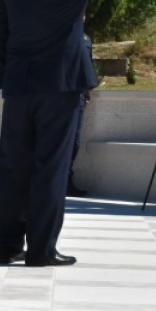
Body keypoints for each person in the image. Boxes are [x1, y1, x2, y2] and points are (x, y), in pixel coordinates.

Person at [0, 0, 128, 267]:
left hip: (19, 84)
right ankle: (41, 250)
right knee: (50, 166)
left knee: (14, 165)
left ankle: (7, 246)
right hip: (61, 85)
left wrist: (6, 74)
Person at [66, 32, 94, 198]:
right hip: (60, 95)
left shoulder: (86, 38)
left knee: (74, 143)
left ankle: (67, 182)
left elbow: (87, 65)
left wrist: (87, 91)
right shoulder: (60, 33)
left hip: (79, 96)